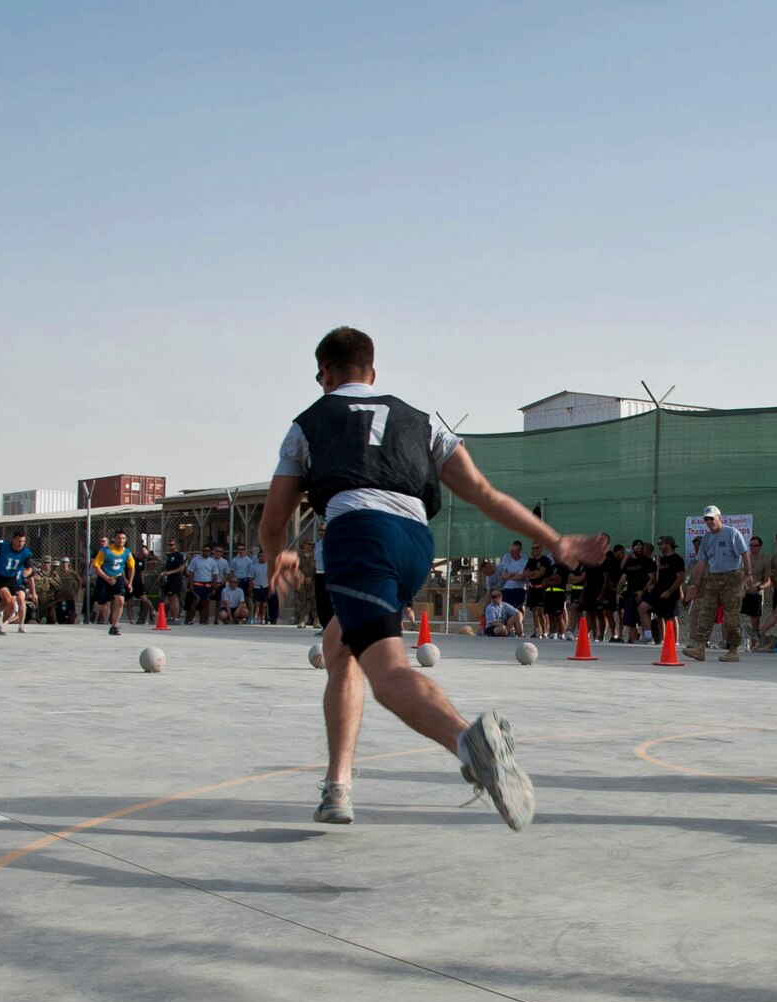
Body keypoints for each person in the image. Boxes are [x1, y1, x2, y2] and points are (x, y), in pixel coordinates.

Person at [258, 326, 604, 829]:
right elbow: (485, 493)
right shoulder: (423, 422)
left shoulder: (308, 423)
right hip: (415, 543)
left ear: (325, 375)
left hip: (360, 540)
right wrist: (555, 541)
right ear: (373, 373)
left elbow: (273, 522)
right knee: (340, 647)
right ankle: (337, 787)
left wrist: (276, 556)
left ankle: (468, 742)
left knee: (388, 673)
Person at [681, 506, 750, 661]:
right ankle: (700, 647)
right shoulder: (706, 538)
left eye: (712, 518)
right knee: (705, 611)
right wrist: (696, 584)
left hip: (732, 578)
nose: (709, 521)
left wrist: (748, 574)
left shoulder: (732, 533)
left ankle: (733, 650)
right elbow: (701, 563)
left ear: (720, 518)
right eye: (706, 519)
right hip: (714, 577)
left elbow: (745, 553)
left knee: (731, 616)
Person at [0, 531, 35, 634]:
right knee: (7, 598)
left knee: (12, 606)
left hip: (11, 578)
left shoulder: (26, 552)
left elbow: (29, 568)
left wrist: (27, 572)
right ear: (13, 539)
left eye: (23, 541)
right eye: (19, 541)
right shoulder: (2, 547)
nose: (21, 543)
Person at [91, 530, 134, 635]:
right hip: (104, 578)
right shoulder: (105, 551)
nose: (121, 540)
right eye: (119, 538)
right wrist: (106, 578)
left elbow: (132, 567)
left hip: (118, 578)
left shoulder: (127, 552)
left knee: (120, 600)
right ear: (114, 539)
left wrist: (130, 582)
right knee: (102, 604)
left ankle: (114, 626)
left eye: (123, 538)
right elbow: (96, 566)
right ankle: (94, 612)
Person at [741, 536, 770, 651]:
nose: (753, 548)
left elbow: (768, 580)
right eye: (751, 545)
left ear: (760, 547)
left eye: (755, 545)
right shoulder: (744, 559)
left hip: (756, 593)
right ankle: (734, 643)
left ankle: (754, 644)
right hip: (742, 592)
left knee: (755, 620)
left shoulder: (764, 561)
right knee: (733, 617)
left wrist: (758, 588)